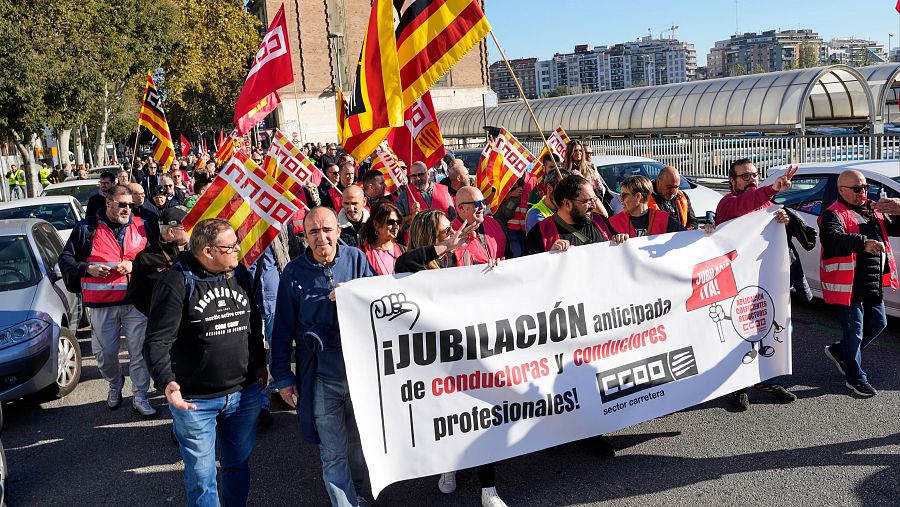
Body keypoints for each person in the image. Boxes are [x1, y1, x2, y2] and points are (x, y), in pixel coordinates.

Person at [144, 218, 267, 507]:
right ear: (208, 251)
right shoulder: (176, 281)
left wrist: (261, 363)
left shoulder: (240, 274)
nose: (238, 250)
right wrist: (166, 382)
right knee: (202, 477)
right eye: (231, 246)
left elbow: (254, 321)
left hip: (244, 392)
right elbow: (156, 340)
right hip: (196, 402)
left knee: (237, 466)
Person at [392, 211, 507, 507]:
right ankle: (449, 465)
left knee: (481, 415)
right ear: (428, 236)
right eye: (444, 232)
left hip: (469, 352)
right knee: (449, 415)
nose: (451, 235)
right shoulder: (414, 267)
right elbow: (403, 263)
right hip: (434, 359)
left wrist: (493, 269)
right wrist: (445, 246)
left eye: (450, 231)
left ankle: (488, 488)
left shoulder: (461, 259)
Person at [271, 207, 376, 507]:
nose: (321, 238)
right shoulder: (293, 272)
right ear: (304, 235)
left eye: (327, 230)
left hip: (358, 374)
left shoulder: (356, 259)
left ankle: (357, 495)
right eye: (313, 232)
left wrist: (356, 292)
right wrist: (282, 376)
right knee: (333, 453)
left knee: (358, 445)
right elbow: (282, 329)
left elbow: (381, 299)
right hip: (320, 375)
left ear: (339, 231)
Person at [58, 184, 155, 418]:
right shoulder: (86, 229)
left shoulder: (143, 226)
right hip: (101, 304)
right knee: (105, 356)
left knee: (139, 352)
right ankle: (114, 383)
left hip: (136, 303)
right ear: (108, 203)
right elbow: (65, 260)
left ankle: (140, 396)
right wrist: (87, 268)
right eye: (122, 204)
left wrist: (134, 265)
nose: (127, 209)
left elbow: (156, 257)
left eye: (130, 205)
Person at [715, 159, 798, 410]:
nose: (751, 179)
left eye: (754, 175)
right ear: (732, 181)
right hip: (736, 279)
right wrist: (772, 190)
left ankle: (766, 380)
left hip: (763, 278)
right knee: (739, 333)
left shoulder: (766, 204)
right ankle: (738, 386)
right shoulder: (728, 202)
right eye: (744, 176)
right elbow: (743, 207)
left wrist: (782, 219)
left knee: (767, 328)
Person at [820, 170, 899, 397]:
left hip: (870, 280)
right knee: (854, 331)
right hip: (848, 284)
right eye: (857, 189)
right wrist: (863, 243)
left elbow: (895, 228)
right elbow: (831, 239)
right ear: (841, 190)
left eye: (865, 187)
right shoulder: (833, 213)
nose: (862, 192)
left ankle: (839, 351)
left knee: (879, 323)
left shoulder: (873, 208)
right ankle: (855, 378)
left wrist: (898, 209)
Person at [524, 174, 617, 256]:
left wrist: (621, 241)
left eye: (594, 199)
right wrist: (549, 256)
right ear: (567, 204)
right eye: (588, 201)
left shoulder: (600, 221)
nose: (594, 206)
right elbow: (528, 269)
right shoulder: (541, 232)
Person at [128, 206, 190, 316]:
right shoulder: (145, 258)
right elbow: (136, 295)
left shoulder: (196, 253)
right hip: (162, 322)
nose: (190, 231)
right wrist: (156, 315)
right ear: (171, 232)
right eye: (186, 228)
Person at [609, 175, 686, 237]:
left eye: (624, 195)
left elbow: (687, 237)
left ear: (638, 196)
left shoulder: (664, 219)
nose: (621, 200)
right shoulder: (614, 222)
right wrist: (614, 241)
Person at [452, 186, 508, 265]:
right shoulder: (450, 234)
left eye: (484, 202)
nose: (483, 207)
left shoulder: (496, 224)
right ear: (461, 208)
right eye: (477, 203)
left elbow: (510, 256)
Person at [359, 201, 404, 275]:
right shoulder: (360, 253)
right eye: (391, 222)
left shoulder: (403, 250)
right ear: (376, 224)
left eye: (398, 222)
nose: (396, 226)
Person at [525, 166, 570, 233]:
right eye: (562, 189)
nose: (566, 195)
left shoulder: (565, 208)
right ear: (549, 188)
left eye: (568, 189)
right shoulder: (535, 214)